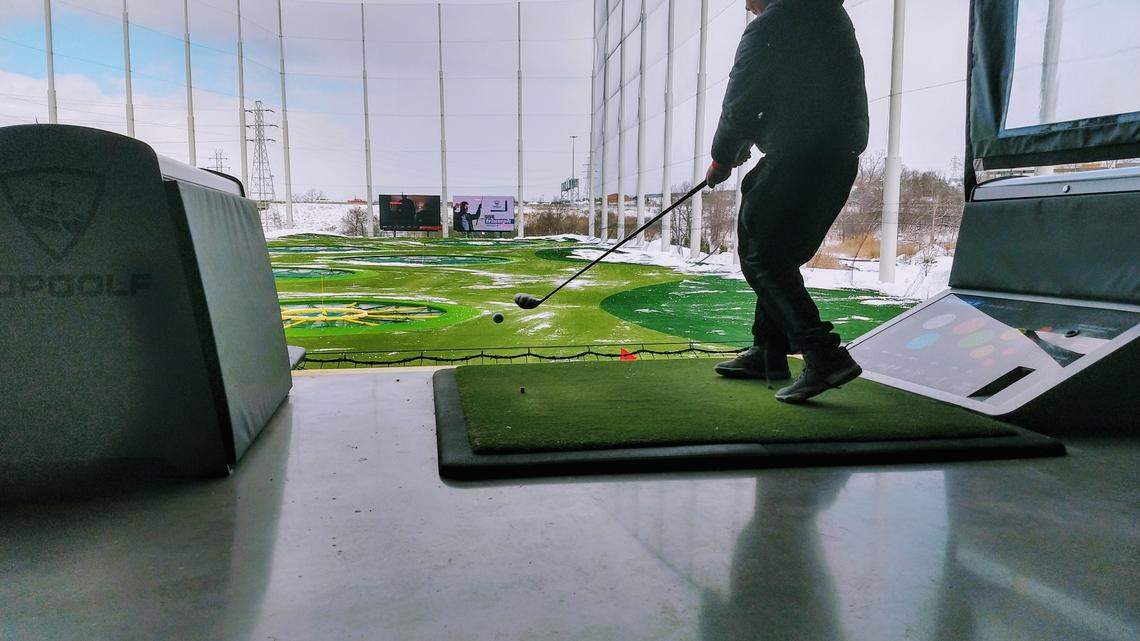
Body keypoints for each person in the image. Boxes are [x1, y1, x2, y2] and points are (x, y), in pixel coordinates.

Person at [705, 0, 869, 403]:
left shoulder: (773, 23)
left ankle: (823, 354)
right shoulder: (829, 15)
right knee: (777, 256)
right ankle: (768, 352)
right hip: (836, 159)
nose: (746, 4)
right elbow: (798, 90)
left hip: (800, 156)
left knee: (762, 255)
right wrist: (748, 141)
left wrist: (723, 157)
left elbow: (742, 99)